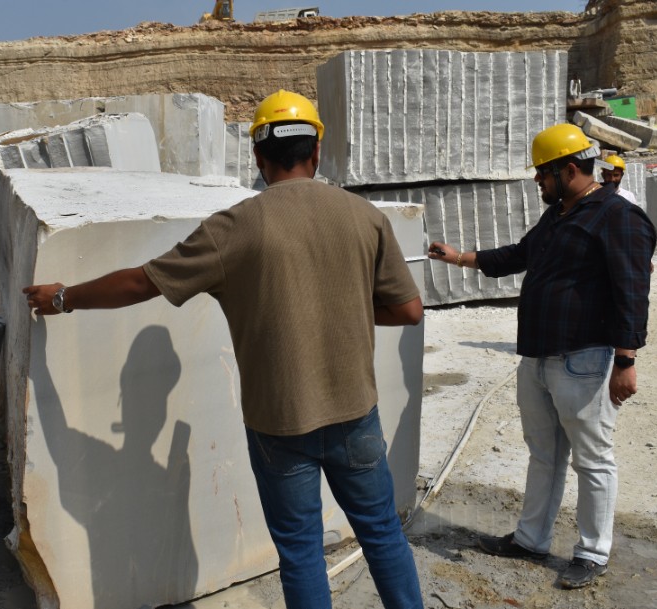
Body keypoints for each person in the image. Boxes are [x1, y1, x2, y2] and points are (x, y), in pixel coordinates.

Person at [22, 89, 425, 609]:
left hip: (280, 426)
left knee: (301, 554)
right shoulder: (363, 216)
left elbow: (142, 283)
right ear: (316, 151)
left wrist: (63, 297)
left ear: (258, 156)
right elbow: (408, 310)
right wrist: (338, 309)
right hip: (355, 415)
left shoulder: (233, 228)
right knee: (382, 534)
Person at [428, 124, 656, 589]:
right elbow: (519, 255)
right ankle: (531, 540)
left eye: (542, 173)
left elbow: (632, 291)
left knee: (592, 460)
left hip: (583, 360)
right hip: (538, 358)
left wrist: (626, 361)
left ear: (569, 170)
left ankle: (592, 553)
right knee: (543, 455)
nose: (537, 180)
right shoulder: (559, 214)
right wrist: (459, 258)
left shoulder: (617, 216)